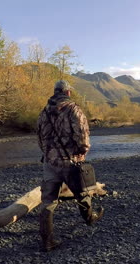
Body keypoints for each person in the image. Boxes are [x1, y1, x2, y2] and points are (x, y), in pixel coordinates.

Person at [36, 80, 104, 252]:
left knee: (48, 201)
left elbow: (39, 137)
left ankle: (47, 241)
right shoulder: (74, 109)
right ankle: (90, 218)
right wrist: (82, 153)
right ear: (67, 93)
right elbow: (83, 136)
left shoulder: (44, 112)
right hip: (71, 161)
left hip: (49, 162)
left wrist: (49, 153)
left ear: (54, 92)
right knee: (82, 192)